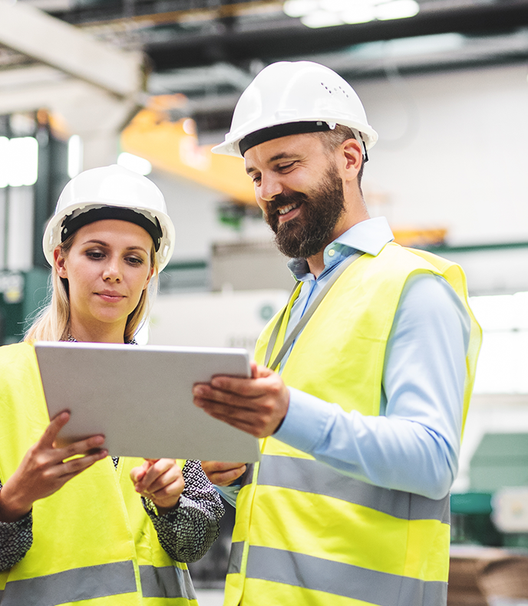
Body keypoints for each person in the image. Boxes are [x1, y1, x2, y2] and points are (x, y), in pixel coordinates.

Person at [192, 61, 482, 606]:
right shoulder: (289, 314)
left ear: (349, 158)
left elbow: (433, 461)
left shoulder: (415, 287)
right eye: (255, 175)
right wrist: (233, 476)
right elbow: (298, 484)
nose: (269, 191)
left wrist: (286, 415)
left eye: (285, 165)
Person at [0, 164, 224, 606]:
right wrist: (15, 501)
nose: (115, 272)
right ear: (61, 260)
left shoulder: (166, 381)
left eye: (134, 258)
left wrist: (171, 504)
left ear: (150, 272)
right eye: (96, 253)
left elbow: (195, 543)